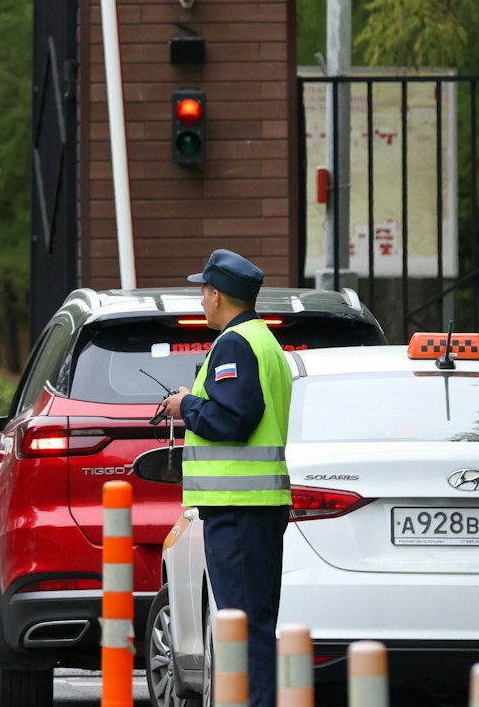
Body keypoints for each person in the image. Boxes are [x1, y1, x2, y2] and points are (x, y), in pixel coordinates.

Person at [158, 249, 292, 707]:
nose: (200, 301)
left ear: (216, 295)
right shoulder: (263, 340)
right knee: (255, 623)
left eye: (203, 291)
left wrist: (186, 406)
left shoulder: (234, 344)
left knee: (240, 623)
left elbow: (236, 418)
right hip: (255, 507)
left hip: (238, 507)